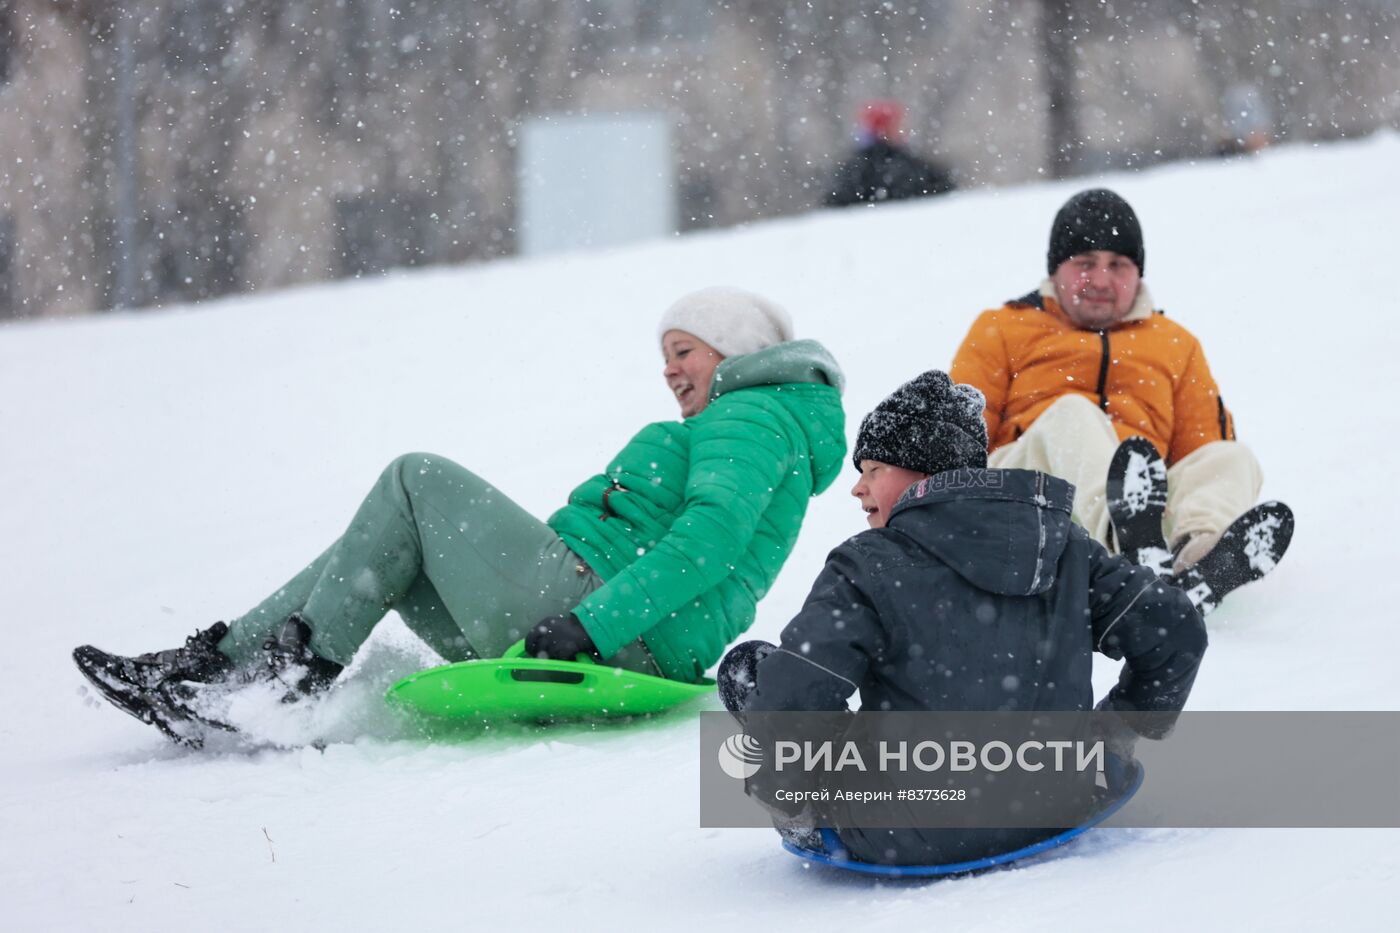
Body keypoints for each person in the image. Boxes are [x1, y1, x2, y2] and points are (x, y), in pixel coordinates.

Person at [74, 286, 848, 745]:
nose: (669, 368)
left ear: (735, 350)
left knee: (415, 479)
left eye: (685, 350)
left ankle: (278, 676)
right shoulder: (740, 420)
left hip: (608, 626)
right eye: (666, 352)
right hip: (596, 619)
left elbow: (704, 547)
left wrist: (590, 627)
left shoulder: (750, 416)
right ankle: (224, 673)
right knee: (385, 541)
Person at [718, 370, 1207, 867]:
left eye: (873, 469)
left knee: (753, 669)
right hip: (1066, 799)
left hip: (908, 829)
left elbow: (799, 690)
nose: (858, 488)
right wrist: (1120, 729)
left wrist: (788, 799)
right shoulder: (1063, 546)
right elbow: (1176, 628)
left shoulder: (868, 564)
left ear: (924, 474)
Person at [950, 188, 1262, 571]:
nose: (1100, 279)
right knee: (1072, 414)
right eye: (1085, 263)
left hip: (1147, 502)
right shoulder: (1002, 327)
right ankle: (1128, 543)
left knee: (1231, 456)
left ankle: (1196, 558)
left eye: (1117, 265)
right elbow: (959, 439)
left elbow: (1201, 450)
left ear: (1138, 274)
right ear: (1056, 269)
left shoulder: (1175, 344)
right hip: (1029, 500)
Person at [824, 100, 956, 207]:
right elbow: (941, 188)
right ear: (886, 129)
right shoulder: (905, 166)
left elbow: (833, 202)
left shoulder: (853, 168)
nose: (902, 129)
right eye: (897, 125)